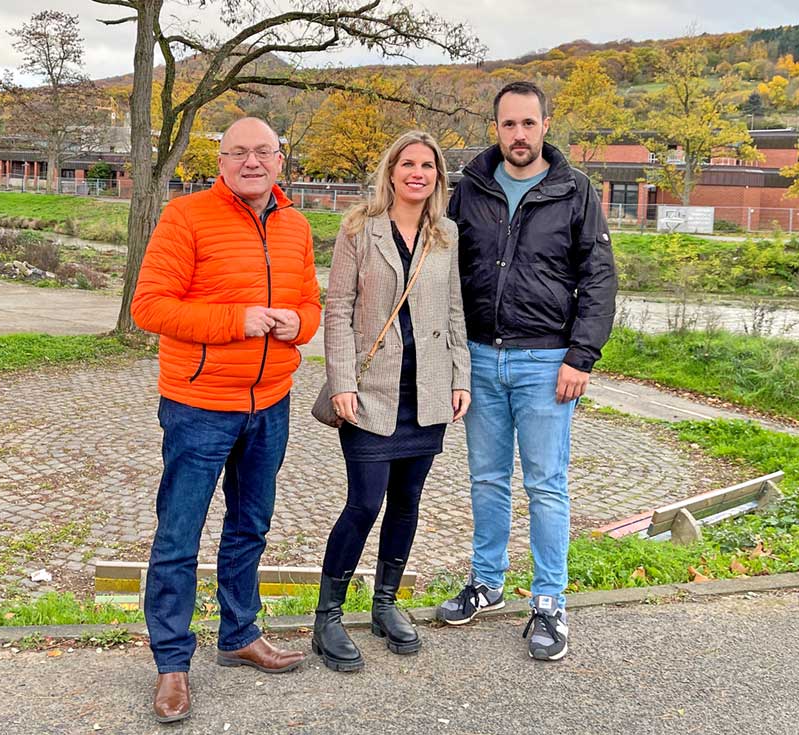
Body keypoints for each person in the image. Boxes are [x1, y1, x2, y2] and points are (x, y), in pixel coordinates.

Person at [131, 117, 323, 723]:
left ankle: (240, 633)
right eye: (238, 152)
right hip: (198, 404)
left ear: (280, 160)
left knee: (250, 526)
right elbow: (149, 306)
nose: (251, 162)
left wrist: (302, 325)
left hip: (270, 401)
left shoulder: (294, 224)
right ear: (221, 160)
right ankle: (171, 664)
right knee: (179, 534)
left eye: (262, 151)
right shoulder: (186, 217)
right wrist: (236, 320)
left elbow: (310, 301)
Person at [436, 81, 617, 661]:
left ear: (545, 125)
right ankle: (486, 582)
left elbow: (598, 280)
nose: (519, 134)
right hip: (481, 357)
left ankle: (548, 603)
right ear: (497, 128)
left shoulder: (574, 190)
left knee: (545, 484)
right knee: (486, 478)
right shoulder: (469, 191)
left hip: (546, 362)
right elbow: (440, 264)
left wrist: (580, 356)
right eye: (508, 124)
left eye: (528, 124)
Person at [314, 131, 471, 672]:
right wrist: (341, 382)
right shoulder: (360, 227)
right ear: (392, 170)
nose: (418, 173)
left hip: (425, 392)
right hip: (369, 392)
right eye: (408, 163)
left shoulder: (445, 232)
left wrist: (461, 378)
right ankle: (328, 616)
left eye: (428, 165)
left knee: (407, 501)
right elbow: (336, 310)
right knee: (365, 502)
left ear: (438, 177)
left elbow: (455, 314)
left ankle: (385, 603)